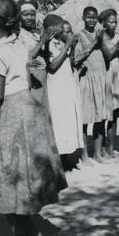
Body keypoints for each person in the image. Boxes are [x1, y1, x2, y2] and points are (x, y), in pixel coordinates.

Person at [0, 0, 67, 236]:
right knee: (25, 172)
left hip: (12, 112)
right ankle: (27, 228)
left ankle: (22, 235)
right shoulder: (17, 44)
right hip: (30, 109)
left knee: (11, 172)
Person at [42, 15, 84, 170]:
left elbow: (70, 63)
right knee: (59, 123)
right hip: (56, 88)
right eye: (60, 28)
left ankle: (67, 158)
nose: (64, 31)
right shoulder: (49, 44)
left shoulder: (63, 43)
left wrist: (72, 47)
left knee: (68, 122)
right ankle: (58, 160)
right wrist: (67, 45)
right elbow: (52, 66)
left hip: (67, 85)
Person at [73, 7, 109, 164]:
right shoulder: (79, 36)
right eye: (88, 17)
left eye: (94, 17)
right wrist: (94, 43)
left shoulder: (101, 35)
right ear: (83, 18)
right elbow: (76, 58)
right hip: (87, 79)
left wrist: (101, 42)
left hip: (101, 78)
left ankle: (98, 154)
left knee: (101, 118)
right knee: (85, 119)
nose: (91, 20)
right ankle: (84, 155)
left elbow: (107, 55)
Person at [98, 9, 119, 159]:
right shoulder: (100, 36)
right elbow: (108, 55)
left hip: (117, 75)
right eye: (110, 21)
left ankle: (110, 147)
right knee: (104, 114)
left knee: (114, 114)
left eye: (115, 21)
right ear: (102, 22)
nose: (113, 24)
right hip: (105, 75)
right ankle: (101, 148)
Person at [17, 0, 49, 105]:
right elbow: (26, 58)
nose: (30, 17)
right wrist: (42, 41)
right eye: (25, 15)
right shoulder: (18, 34)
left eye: (32, 14)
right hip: (31, 77)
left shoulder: (34, 33)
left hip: (42, 76)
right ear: (19, 16)